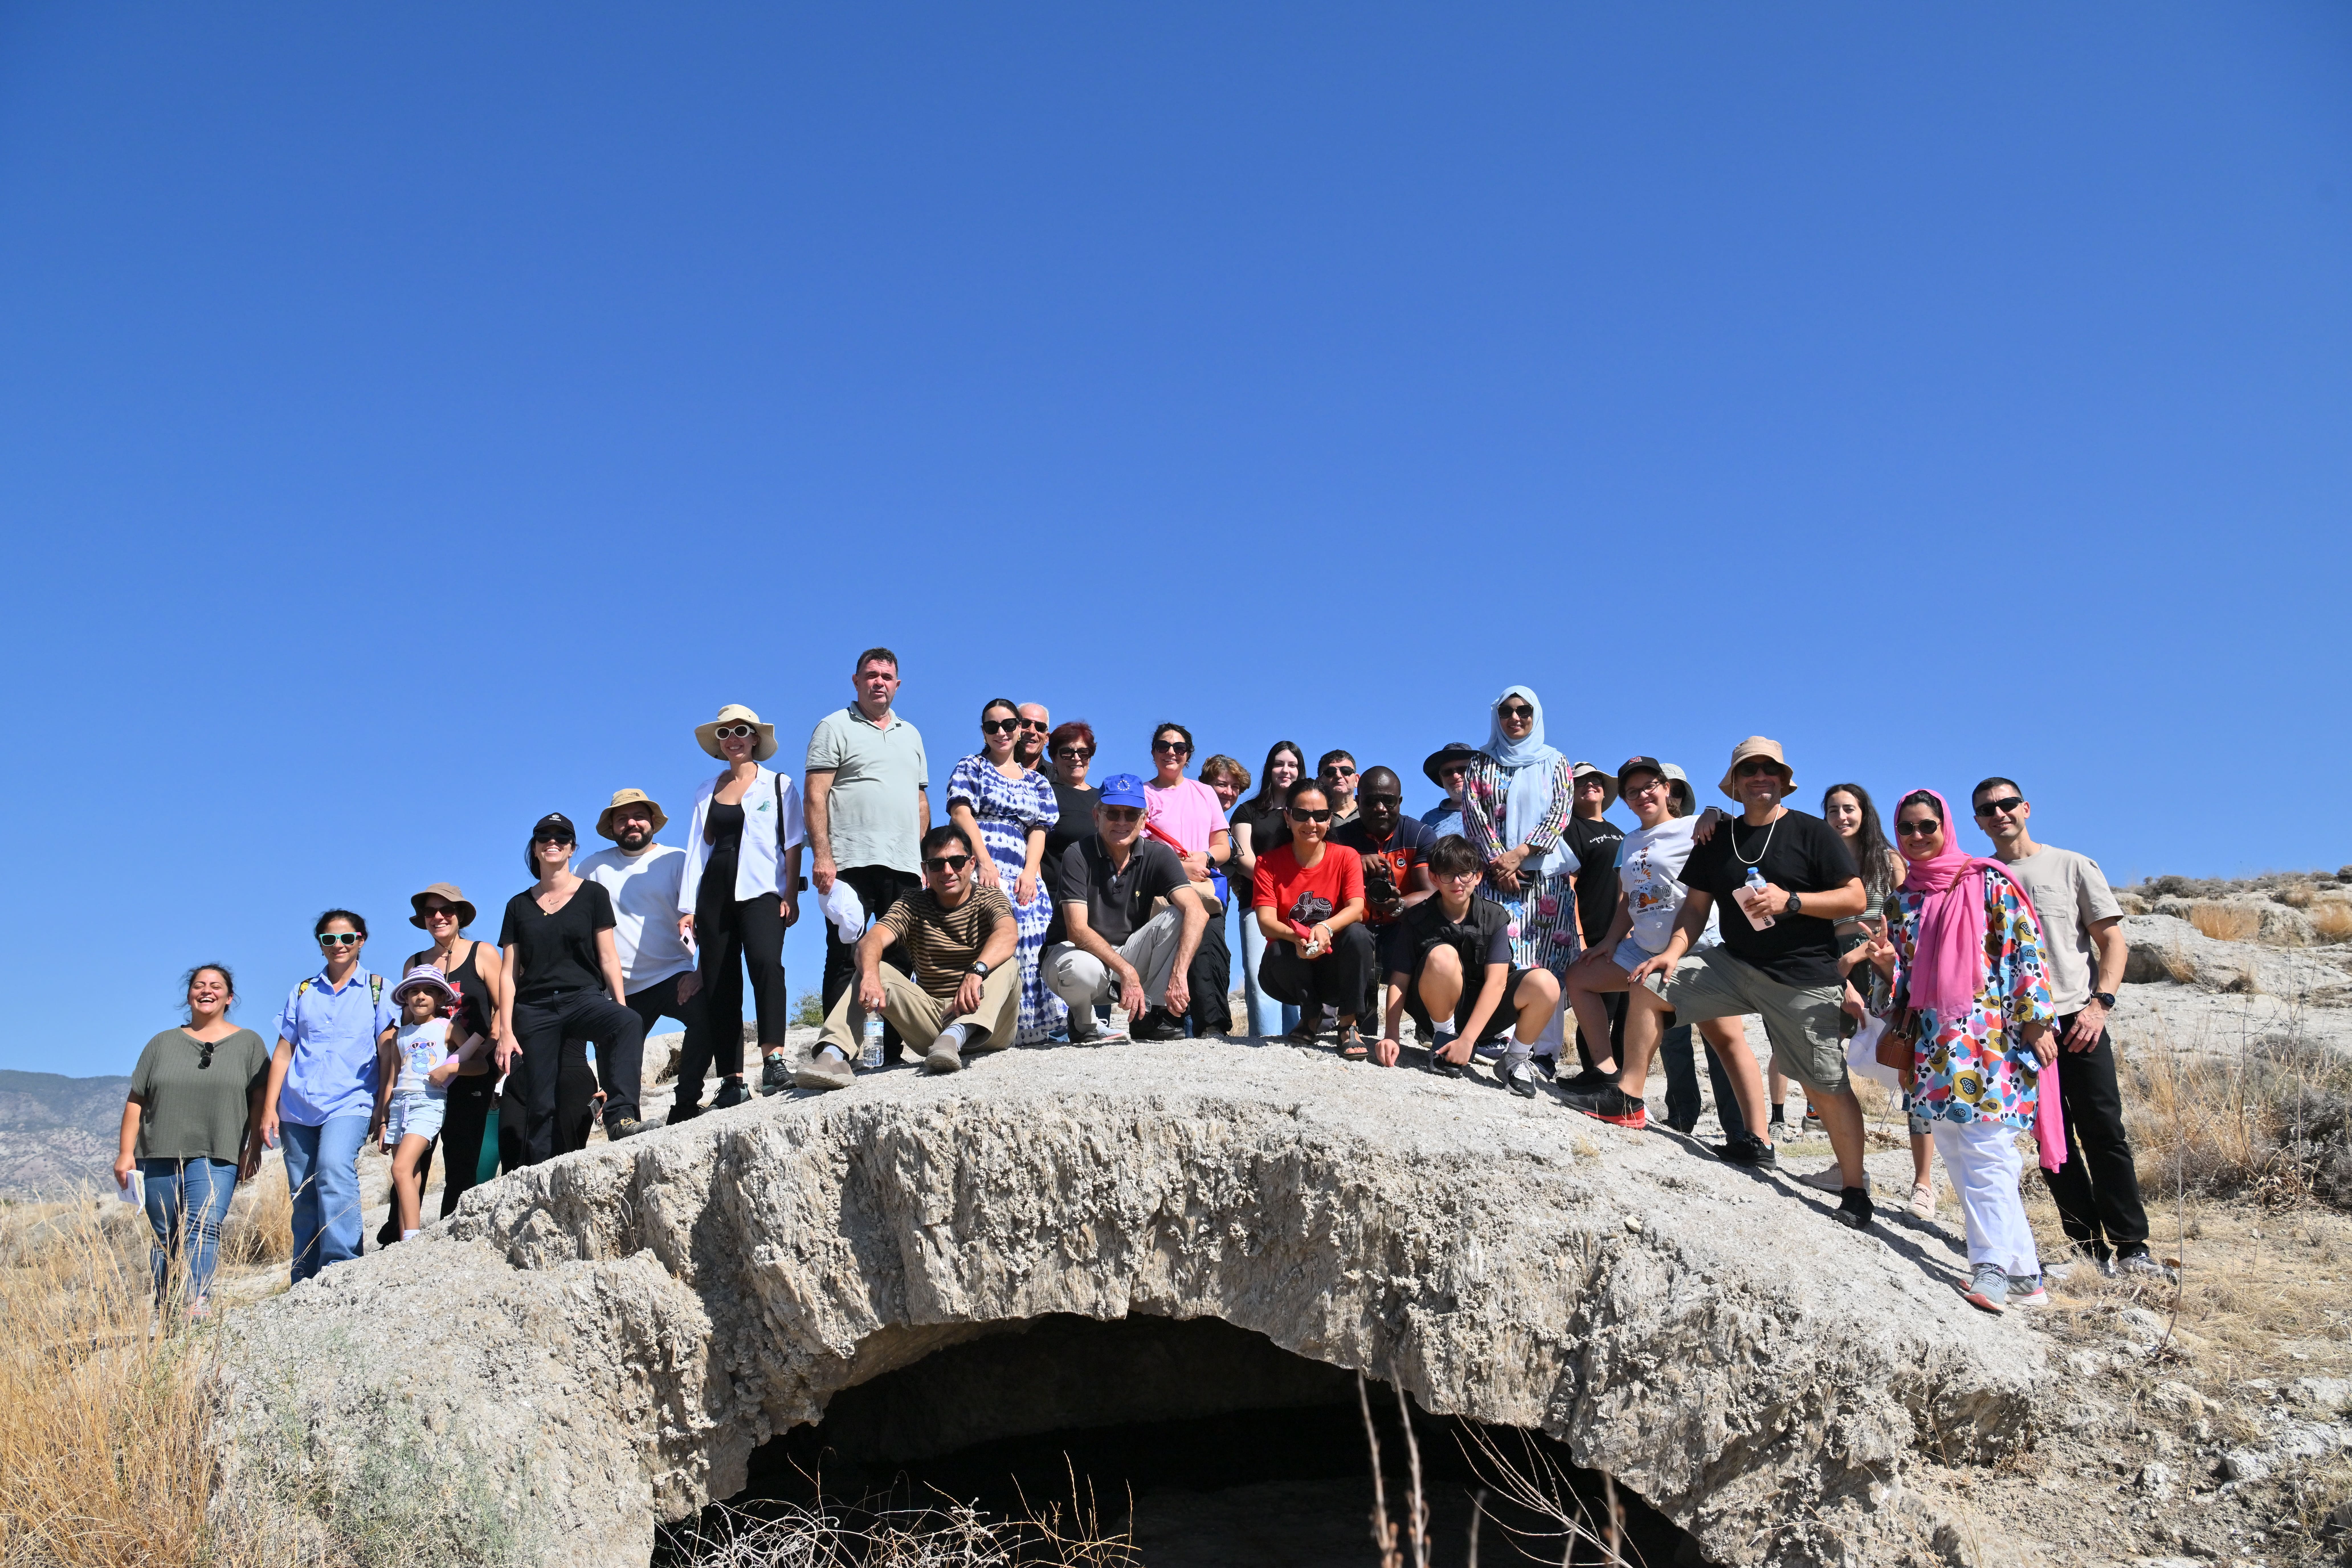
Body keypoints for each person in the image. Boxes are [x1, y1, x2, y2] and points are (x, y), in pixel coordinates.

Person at [1573, 738, 1875, 1228]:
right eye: (1749, 770)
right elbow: (1695, 907)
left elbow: (1855, 896)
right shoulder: (1719, 836)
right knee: (1647, 985)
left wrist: (1791, 901)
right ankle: (1628, 1097)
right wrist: (1670, 954)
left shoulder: (1811, 830)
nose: (1760, 777)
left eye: (1768, 770)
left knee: (1825, 1084)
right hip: (1733, 963)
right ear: (1734, 783)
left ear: (1782, 779)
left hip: (1801, 977)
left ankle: (1856, 1188)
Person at [1973, 776, 2165, 1281]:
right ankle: (2087, 1249)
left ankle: (2132, 1247)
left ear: (2026, 807)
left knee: (2103, 1130)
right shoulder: (1981, 877)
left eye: (2008, 803)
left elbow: (2112, 941)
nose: (2000, 813)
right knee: (2050, 1139)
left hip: (2078, 1018)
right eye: (1987, 809)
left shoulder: (2071, 864)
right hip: (2018, 1030)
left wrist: (2099, 1005)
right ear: (1977, 821)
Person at [1879, 789, 2058, 1312]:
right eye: (1907, 828)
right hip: (1933, 1045)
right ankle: (2027, 1276)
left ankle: (1991, 1268)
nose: (1917, 836)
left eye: (1927, 825)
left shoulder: (1986, 880)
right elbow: (1906, 981)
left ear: (1946, 825)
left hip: (1988, 1038)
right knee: (1958, 1150)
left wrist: (2035, 1020)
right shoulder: (1902, 899)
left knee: (1987, 1152)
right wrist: (1884, 968)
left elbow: (2024, 950)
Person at [1561, 758, 1768, 1147]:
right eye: (1632, 792)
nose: (1642, 796)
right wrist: (1608, 942)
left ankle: (1756, 1138)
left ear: (1667, 788)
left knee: (1726, 1039)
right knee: (1580, 978)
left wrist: (1713, 811)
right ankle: (1607, 1074)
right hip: (1642, 948)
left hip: (1698, 948)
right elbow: (1630, 898)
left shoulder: (1693, 827)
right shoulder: (1629, 842)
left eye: (1649, 786)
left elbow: (1734, 827)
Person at [797, 825, 1020, 1088]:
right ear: (925, 870)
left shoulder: (990, 898)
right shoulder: (912, 904)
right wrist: (870, 977)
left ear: (971, 864)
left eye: (957, 862)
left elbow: (1008, 934)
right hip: (934, 1026)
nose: (948, 871)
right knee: (874, 967)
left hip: (989, 1026)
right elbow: (872, 941)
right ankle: (832, 1056)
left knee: (1007, 963)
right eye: (937, 865)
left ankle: (958, 1034)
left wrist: (976, 971)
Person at [115, 964, 269, 1318]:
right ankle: (166, 1307)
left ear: (229, 997)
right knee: (165, 1233)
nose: (207, 990)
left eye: (216, 986)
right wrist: (126, 1153)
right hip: (158, 1152)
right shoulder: (161, 1043)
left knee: (205, 1224)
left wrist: (254, 1147)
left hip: (219, 1152)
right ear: (189, 995)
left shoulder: (249, 1043)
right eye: (199, 985)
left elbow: (260, 1100)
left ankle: (197, 1302)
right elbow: (137, 1100)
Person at [495, 813, 647, 1163]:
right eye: (544, 837)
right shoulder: (518, 906)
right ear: (534, 848)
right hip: (534, 1009)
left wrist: (620, 1005)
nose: (553, 842)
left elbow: (609, 957)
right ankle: (539, 1175)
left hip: (583, 998)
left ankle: (621, 1117)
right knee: (541, 1103)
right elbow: (508, 973)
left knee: (628, 1022)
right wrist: (505, 1030)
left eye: (562, 838)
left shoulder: (593, 894)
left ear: (572, 848)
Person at [260, 910, 400, 1283]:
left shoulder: (378, 988)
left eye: (347, 938)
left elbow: (388, 1051)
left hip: (351, 1101)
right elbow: (284, 1051)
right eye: (329, 939)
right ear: (321, 945)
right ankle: (304, 1276)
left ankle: (342, 1267)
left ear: (362, 941)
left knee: (334, 1168)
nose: (339, 945)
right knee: (304, 1194)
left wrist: (384, 1107)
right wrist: (270, 1108)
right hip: (296, 1107)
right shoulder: (303, 991)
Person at [807, 648, 930, 1063]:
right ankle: (838, 1051)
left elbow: (919, 800)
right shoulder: (834, 726)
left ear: (898, 684)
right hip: (851, 860)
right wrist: (823, 856)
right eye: (872, 675)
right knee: (846, 954)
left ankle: (886, 1050)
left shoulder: (911, 734)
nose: (879, 682)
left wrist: (923, 860)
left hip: (904, 863)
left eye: (887, 676)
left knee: (898, 955)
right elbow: (816, 795)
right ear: (857, 681)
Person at [678, 710, 807, 1108]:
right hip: (714, 892)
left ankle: (774, 1060)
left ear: (755, 739)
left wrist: (791, 894)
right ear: (719, 742)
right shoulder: (706, 790)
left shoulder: (779, 785)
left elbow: (793, 843)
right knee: (719, 981)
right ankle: (732, 1078)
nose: (733, 738)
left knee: (767, 963)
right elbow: (697, 851)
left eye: (742, 732)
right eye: (726, 733)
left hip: (762, 888)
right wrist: (687, 907)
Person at [1816, 783, 1930, 1212]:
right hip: (1836, 963)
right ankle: (1847, 1167)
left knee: (1912, 1066)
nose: (1841, 816)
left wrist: (1882, 961)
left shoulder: (1888, 860)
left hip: (1887, 963)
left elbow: (1906, 914)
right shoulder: (1821, 863)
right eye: (1833, 810)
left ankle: (1923, 1185)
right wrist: (1842, 972)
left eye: (1849, 808)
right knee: (1823, 1059)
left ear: (1865, 813)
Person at [1375, 836, 1561, 1092]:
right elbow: (1400, 979)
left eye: (1465, 874)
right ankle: (1444, 1041)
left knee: (1547, 983)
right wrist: (1391, 1035)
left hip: (1484, 1016)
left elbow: (1497, 983)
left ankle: (1515, 1059)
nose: (1457, 883)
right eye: (1448, 875)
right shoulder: (1416, 919)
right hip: (1435, 1013)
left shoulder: (1495, 917)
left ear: (1478, 876)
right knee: (1442, 956)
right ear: (1434, 877)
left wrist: (1469, 1040)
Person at [576, 791, 720, 1116]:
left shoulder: (678, 860)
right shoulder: (591, 868)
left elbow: (707, 918)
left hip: (673, 975)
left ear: (653, 821)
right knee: (613, 1059)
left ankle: (685, 1104)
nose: (632, 823)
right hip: (617, 988)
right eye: (622, 818)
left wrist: (699, 972)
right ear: (611, 826)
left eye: (639, 816)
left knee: (711, 1012)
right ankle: (622, 1123)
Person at [1042, 775, 1211, 1041]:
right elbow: (1076, 931)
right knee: (1079, 968)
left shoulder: (1159, 855)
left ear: (1143, 821)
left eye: (1131, 815)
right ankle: (1083, 1023)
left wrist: (1179, 976)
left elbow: (1197, 911)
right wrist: (1128, 971)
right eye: (1113, 813)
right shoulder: (1077, 854)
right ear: (1097, 817)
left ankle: (1152, 1017)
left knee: (1181, 914)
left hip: (1127, 954)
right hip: (1075, 955)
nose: (1122, 822)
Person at [1458, 687, 1577, 1065]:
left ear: (1536, 714)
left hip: (1544, 880)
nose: (1516, 718)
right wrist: (1499, 863)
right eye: (1507, 711)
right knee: (1501, 958)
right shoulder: (1480, 763)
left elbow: (1560, 813)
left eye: (1524, 710)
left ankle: (1542, 1053)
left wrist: (1521, 855)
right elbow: (1474, 815)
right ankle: (1497, 1036)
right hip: (1495, 880)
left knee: (1547, 962)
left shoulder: (1556, 762)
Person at [947, 699, 1061, 1044]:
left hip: (1022, 867)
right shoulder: (973, 767)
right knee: (984, 942)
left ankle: (1037, 1030)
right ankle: (982, 1029)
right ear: (983, 731)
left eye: (1009, 725)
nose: (1001, 732)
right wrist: (982, 860)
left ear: (1018, 729)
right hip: (982, 860)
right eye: (992, 726)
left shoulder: (1037, 782)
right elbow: (961, 812)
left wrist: (1031, 872)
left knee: (1032, 942)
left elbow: (1039, 829)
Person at [1252, 780, 1377, 1057]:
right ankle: (1310, 1016)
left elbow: (1357, 908)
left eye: (1320, 815)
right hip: (1292, 969)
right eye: (1301, 814)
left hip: (1336, 968)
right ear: (1287, 816)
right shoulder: (1268, 863)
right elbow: (1265, 921)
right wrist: (1299, 938)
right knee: (1277, 947)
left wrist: (1324, 927)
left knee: (1359, 934)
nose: (1311, 823)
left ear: (1329, 818)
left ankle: (1348, 1023)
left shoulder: (1347, 856)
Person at [398, 884, 502, 1219]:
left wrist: (482, 1051)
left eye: (447, 910)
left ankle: (455, 1229)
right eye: (431, 912)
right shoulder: (414, 962)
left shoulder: (482, 952)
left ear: (460, 915)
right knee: (413, 1158)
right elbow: (407, 1023)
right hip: (423, 1078)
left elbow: (503, 1007)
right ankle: (399, 1236)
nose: (439, 917)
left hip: (472, 1068)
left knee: (462, 1154)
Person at [1142, 722, 1233, 1036]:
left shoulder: (1204, 792)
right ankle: (1167, 1021)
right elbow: (1137, 849)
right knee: (1165, 947)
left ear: (1188, 755)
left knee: (1208, 947)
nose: (1171, 752)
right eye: (1163, 746)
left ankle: (1214, 1025)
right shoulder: (1142, 795)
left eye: (1179, 748)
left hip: (1205, 886)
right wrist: (1179, 870)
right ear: (1153, 752)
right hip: (1160, 888)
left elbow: (1223, 846)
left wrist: (1204, 858)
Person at [376, 966, 479, 1243]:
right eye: (414, 991)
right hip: (399, 1106)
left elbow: (479, 1064)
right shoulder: (401, 1035)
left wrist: (450, 1070)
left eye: (428, 991)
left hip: (428, 1104)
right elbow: (392, 1080)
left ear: (440, 997)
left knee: (400, 1168)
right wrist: (384, 1120)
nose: (420, 996)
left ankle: (412, 1238)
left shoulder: (448, 1027)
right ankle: (405, 1236)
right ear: (405, 997)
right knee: (410, 1173)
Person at [1332, 766, 1436, 1022]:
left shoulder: (1419, 834)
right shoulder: (1339, 839)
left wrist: (1397, 904)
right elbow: (1324, 891)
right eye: (1371, 801)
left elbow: (1431, 892)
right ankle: (1347, 1022)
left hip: (1402, 925)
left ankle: (1428, 1022)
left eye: (1388, 801)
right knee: (1355, 936)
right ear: (1358, 802)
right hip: (1357, 925)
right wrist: (1352, 862)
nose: (1380, 808)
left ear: (1400, 802)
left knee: (1433, 935)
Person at [1558, 762, 1626, 1088]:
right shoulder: (1571, 829)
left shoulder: (1620, 831)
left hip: (1626, 933)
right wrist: (1581, 935)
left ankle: (1622, 1080)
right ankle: (1596, 1074)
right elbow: (1568, 886)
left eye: (1596, 780)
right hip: (1595, 931)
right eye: (1581, 781)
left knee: (1630, 1012)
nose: (1590, 785)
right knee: (1601, 1010)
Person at [1230, 742, 1304, 1039]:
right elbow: (1242, 858)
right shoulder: (1248, 810)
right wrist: (1276, 884)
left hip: (1302, 904)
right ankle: (1263, 1045)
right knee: (1259, 974)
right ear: (1269, 769)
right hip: (1257, 902)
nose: (1285, 770)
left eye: (1292, 764)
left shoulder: (1307, 811)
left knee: (1298, 973)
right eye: (1279, 764)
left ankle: (1298, 1040)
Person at [1419, 742, 1477, 833]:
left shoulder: (1495, 807)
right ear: (1441, 778)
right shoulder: (1429, 820)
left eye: (1463, 770)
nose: (1455, 776)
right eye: (1447, 772)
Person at [1317, 751, 1361, 825]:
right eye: (1330, 772)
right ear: (1319, 782)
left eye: (1346, 771)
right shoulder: (1314, 817)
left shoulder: (1370, 813)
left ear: (1357, 781)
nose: (1338, 775)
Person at [1014, 703, 1053, 773]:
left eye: (1040, 727)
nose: (1032, 731)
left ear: (1047, 739)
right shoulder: (990, 770)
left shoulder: (1059, 778)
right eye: (1025, 724)